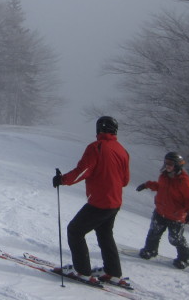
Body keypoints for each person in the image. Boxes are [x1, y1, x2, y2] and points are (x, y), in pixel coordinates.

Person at [52, 116, 130, 286]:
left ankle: (82, 271)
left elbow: (83, 171)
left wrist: (62, 180)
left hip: (100, 202)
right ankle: (113, 272)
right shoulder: (122, 150)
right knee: (104, 234)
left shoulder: (97, 147)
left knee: (75, 230)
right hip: (114, 202)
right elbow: (125, 180)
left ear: (98, 130)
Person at [136, 151, 189, 269]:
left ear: (178, 165)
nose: (167, 166)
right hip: (160, 211)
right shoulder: (164, 176)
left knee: (175, 239)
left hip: (176, 216)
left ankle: (185, 257)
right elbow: (161, 187)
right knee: (154, 232)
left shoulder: (183, 181)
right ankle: (150, 250)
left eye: (171, 164)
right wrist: (147, 185)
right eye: (166, 163)